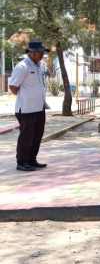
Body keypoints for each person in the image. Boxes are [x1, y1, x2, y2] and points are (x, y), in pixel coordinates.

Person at [8, 40, 51, 171]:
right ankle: (22, 162)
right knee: (26, 136)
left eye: (43, 52)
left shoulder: (39, 66)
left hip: (39, 107)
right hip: (26, 108)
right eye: (39, 52)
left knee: (37, 135)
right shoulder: (22, 67)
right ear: (31, 52)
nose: (42, 54)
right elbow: (13, 86)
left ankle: (32, 160)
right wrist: (26, 97)